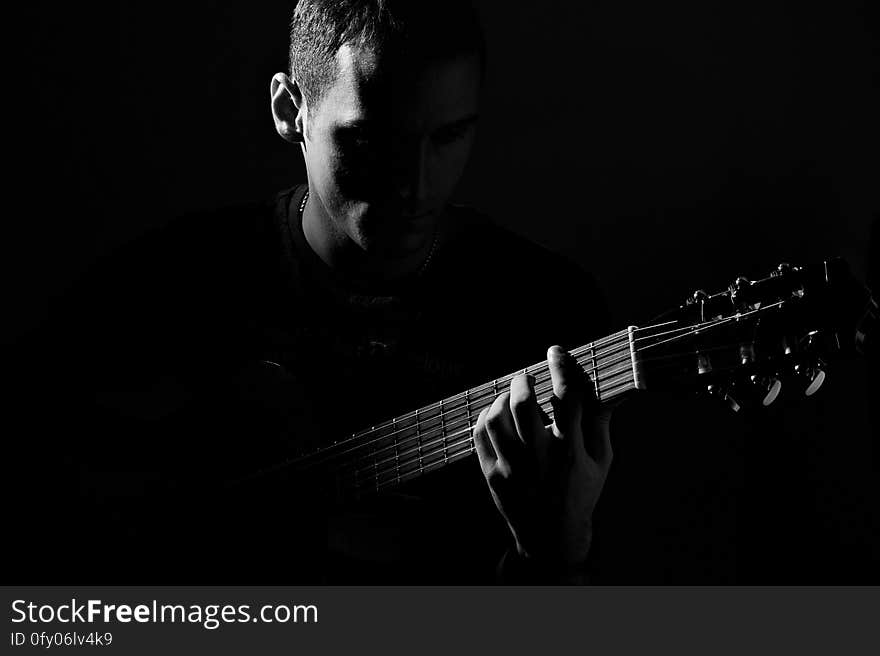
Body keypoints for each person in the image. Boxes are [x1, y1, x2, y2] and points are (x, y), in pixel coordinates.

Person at [9, 0, 614, 584]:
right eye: (372, 141)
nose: (414, 186)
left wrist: (554, 556)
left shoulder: (549, 315)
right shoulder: (172, 284)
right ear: (289, 108)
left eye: (449, 136)